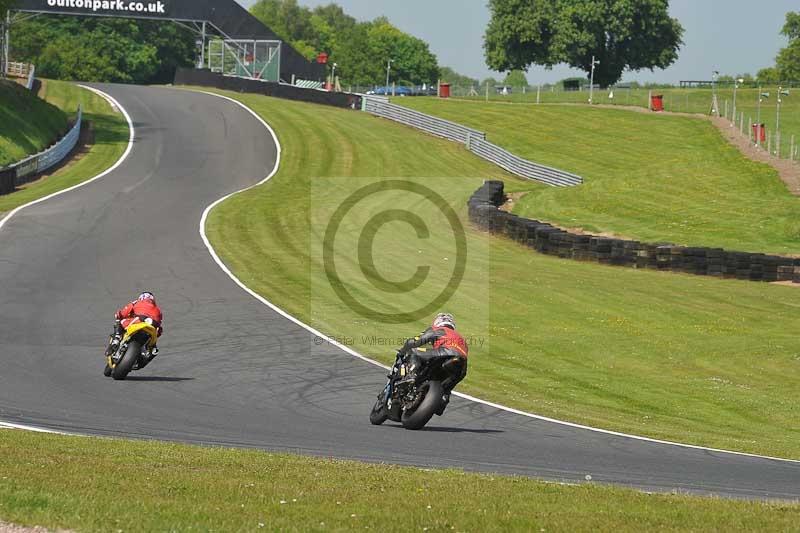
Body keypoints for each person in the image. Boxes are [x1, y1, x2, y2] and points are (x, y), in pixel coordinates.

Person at [397, 312, 468, 414]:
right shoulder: (462, 339)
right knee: (446, 388)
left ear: (437, 322)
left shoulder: (439, 330)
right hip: (461, 365)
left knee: (414, 351)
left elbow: (415, 342)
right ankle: (443, 399)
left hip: (444, 353)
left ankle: (411, 376)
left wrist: (403, 351)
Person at [105, 292, 163, 368]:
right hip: (152, 326)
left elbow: (124, 312)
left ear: (141, 298)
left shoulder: (137, 302)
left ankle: (116, 339)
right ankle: (146, 358)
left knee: (121, 322)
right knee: (153, 349)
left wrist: (119, 315)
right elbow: (159, 328)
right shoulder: (158, 310)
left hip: (139, 320)